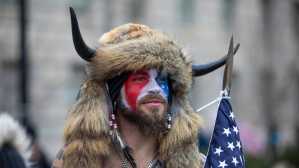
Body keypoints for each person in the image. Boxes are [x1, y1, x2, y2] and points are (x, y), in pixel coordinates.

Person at [52, 7, 235, 168]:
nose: (155, 88)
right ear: (115, 93)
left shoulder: (198, 164)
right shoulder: (71, 160)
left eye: (162, 80)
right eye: (140, 79)